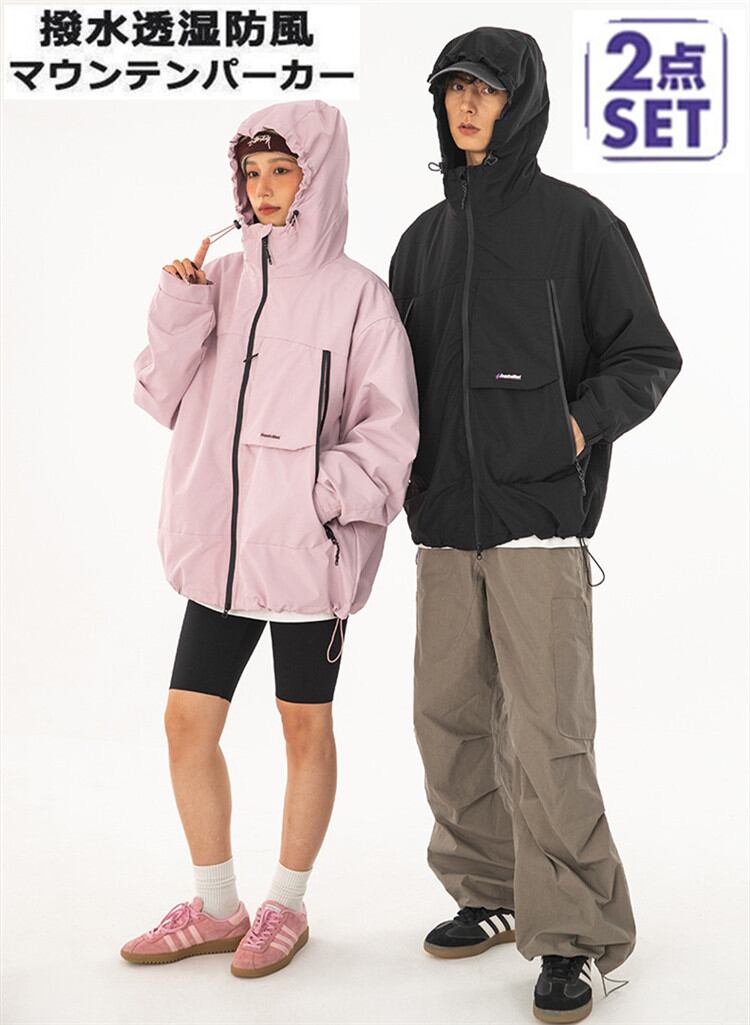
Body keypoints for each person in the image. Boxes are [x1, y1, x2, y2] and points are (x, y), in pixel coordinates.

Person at [388, 26, 682, 1024]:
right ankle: (490, 888)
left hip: (538, 524)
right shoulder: (423, 239)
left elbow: (646, 354)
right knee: (449, 722)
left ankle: (578, 934)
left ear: (524, 103)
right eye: (454, 89)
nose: (468, 105)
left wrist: (573, 425)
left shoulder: (578, 225)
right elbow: (396, 380)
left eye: (488, 90)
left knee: (549, 736)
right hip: (443, 522)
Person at [123, 99, 419, 978]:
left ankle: (286, 905)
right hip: (220, 553)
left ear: (316, 178)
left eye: (282, 170)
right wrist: (177, 306)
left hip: (303, 553)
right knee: (186, 722)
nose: (263, 188)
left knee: (302, 726)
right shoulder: (216, 278)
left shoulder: (359, 296)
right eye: (251, 172)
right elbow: (157, 396)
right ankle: (218, 906)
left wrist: (315, 496)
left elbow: (391, 436)